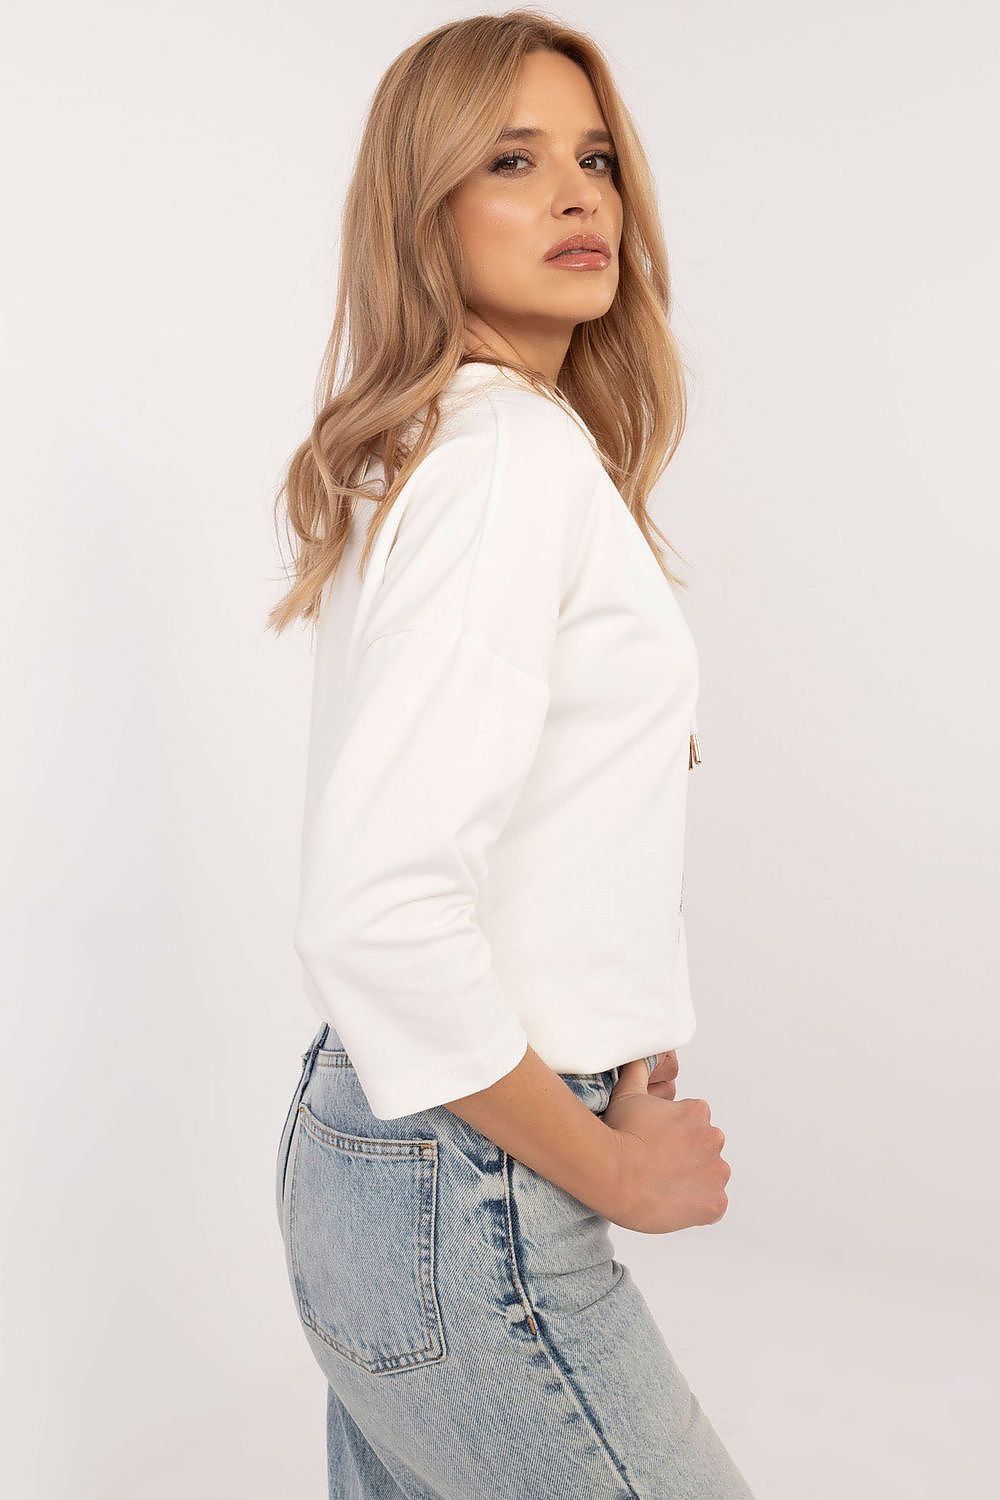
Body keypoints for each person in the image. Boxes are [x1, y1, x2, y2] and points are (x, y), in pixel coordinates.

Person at [268, 11, 756, 1498]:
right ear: (424, 211)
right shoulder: (503, 466)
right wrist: (610, 1165)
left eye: (595, 159)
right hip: (469, 1183)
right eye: (511, 160)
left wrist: (614, 1019)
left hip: (408, 1152)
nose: (575, 196)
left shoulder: (464, 450)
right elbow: (377, 911)